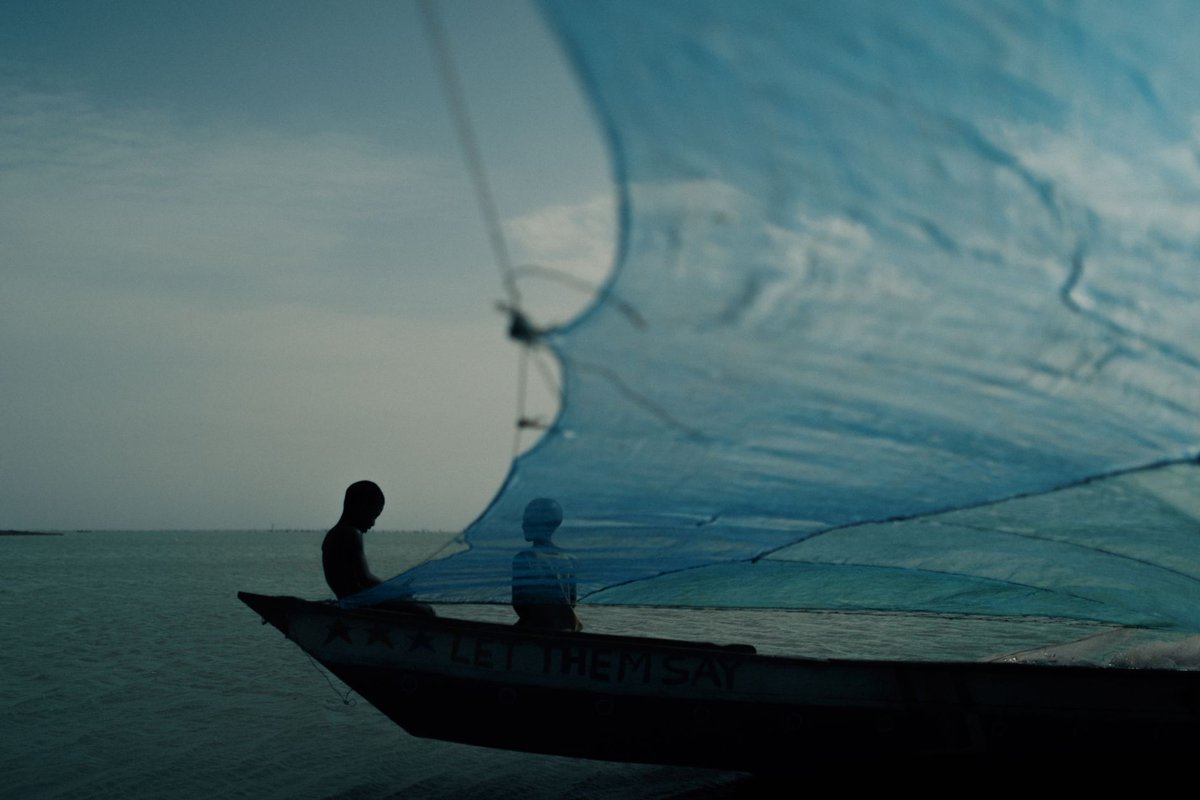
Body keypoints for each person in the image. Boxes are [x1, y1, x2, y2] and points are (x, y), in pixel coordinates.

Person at [322, 480, 433, 614]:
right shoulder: (351, 533)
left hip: (350, 601)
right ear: (361, 507)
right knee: (426, 611)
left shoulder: (333, 534)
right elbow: (365, 578)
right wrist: (396, 591)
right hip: (359, 603)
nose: (373, 523)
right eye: (374, 515)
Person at [511, 498, 582, 632]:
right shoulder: (569, 559)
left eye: (527, 521)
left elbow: (519, 604)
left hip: (535, 630)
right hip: (565, 629)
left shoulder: (524, 559)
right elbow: (572, 601)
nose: (523, 525)